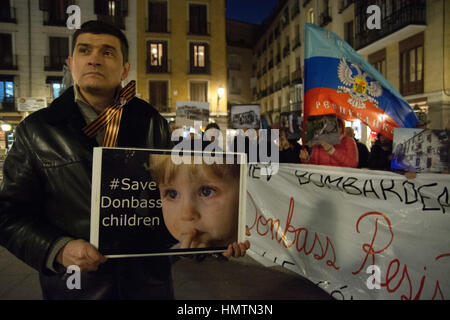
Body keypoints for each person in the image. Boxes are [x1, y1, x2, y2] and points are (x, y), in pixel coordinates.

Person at [0, 21, 245, 300]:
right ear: (71, 62)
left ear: (125, 68)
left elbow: (169, 203)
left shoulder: (151, 122)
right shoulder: (36, 130)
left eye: (107, 52)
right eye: (85, 50)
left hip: (149, 287)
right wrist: (57, 249)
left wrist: (211, 242)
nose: (94, 59)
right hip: (77, 290)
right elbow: (9, 215)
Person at [149, 154, 248, 254]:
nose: (187, 215)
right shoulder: (172, 259)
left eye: (206, 191)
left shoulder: (257, 253)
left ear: (245, 188)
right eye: (172, 194)